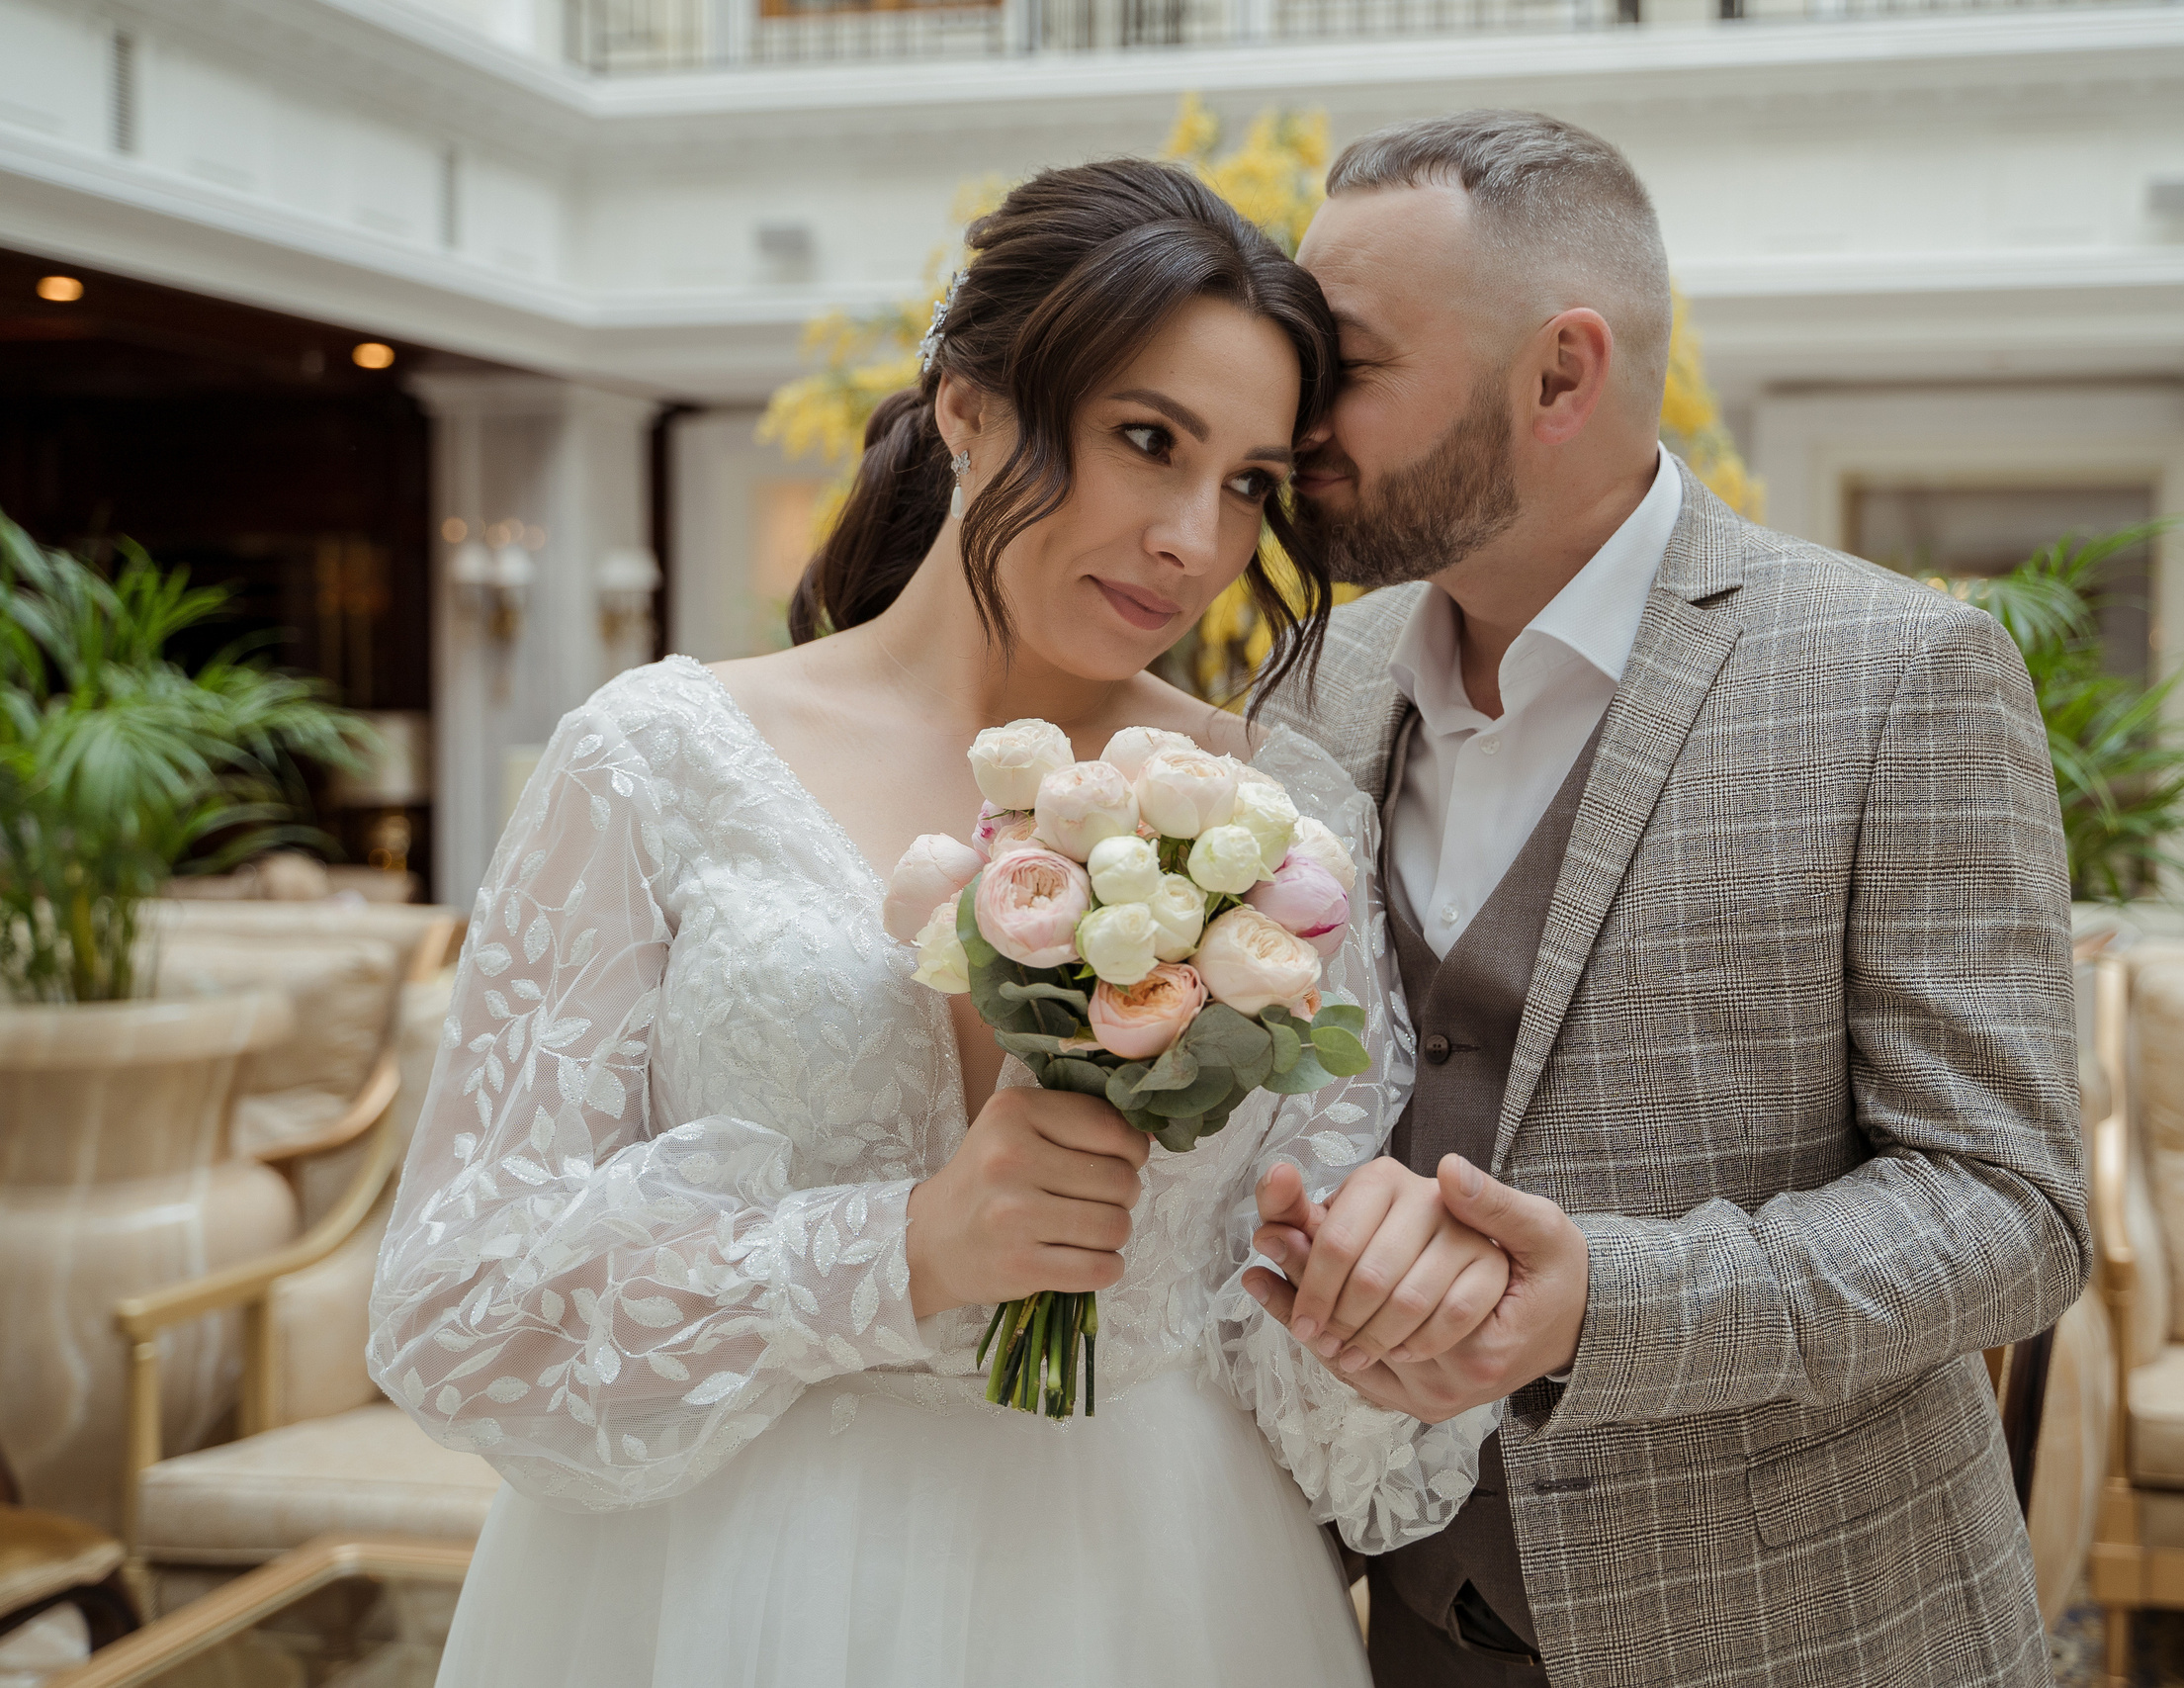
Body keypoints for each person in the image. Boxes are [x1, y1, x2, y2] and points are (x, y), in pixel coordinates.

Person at [367, 158, 1503, 1688]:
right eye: (1146, 441)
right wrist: (900, 1247)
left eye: (1247, 483)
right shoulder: (655, 759)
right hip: (723, 1591)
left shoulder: (1276, 815)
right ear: (967, 403)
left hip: (1153, 1585)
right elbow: (454, 1302)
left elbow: (1283, 1337)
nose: (1194, 539)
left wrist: (1387, 1319)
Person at [1245, 111, 2093, 1688]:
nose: (1296, 418)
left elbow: (2013, 1210)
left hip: (1802, 1641)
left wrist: (1605, 1305)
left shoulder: (1896, 675)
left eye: (1344, 364)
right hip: (1391, 1636)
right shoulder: (1308, 687)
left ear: (1562, 376)